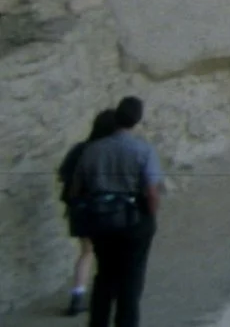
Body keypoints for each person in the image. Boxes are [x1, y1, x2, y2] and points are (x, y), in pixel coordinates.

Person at [70, 96, 161, 327]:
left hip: (101, 220)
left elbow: (76, 188)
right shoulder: (143, 150)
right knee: (131, 279)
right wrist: (150, 215)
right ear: (137, 120)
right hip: (134, 220)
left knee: (105, 277)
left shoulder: (92, 150)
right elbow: (151, 190)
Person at [58, 109, 121, 317]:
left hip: (79, 209)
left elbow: (63, 175)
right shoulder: (108, 152)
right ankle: (111, 293)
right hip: (104, 210)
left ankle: (77, 295)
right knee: (111, 253)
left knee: (86, 252)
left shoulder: (79, 149)